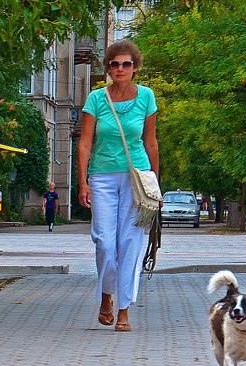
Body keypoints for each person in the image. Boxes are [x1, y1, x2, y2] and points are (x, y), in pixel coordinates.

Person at [76, 39, 159, 332]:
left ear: (135, 67)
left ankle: (124, 309)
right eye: (114, 64)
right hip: (102, 177)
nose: (120, 69)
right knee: (104, 242)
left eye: (126, 64)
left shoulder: (146, 97)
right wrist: (82, 181)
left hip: (136, 177)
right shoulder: (97, 99)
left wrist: (155, 183)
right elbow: (85, 143)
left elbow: (150, 141)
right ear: (108, 68)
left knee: (130, 243)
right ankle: (106, 296)